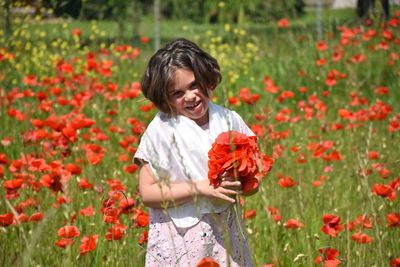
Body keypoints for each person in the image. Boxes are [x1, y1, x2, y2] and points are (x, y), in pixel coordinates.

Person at [134, 38, 257, 267]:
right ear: (164, 97)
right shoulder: (161, 131)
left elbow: (253, 179)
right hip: (180, 238)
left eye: (193, 85)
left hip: (226, 234)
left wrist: (245, 185)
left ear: (206, 78)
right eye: (177, 93)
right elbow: (148, 194)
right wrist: (200, 188)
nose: (190, 96)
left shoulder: (229, 120)